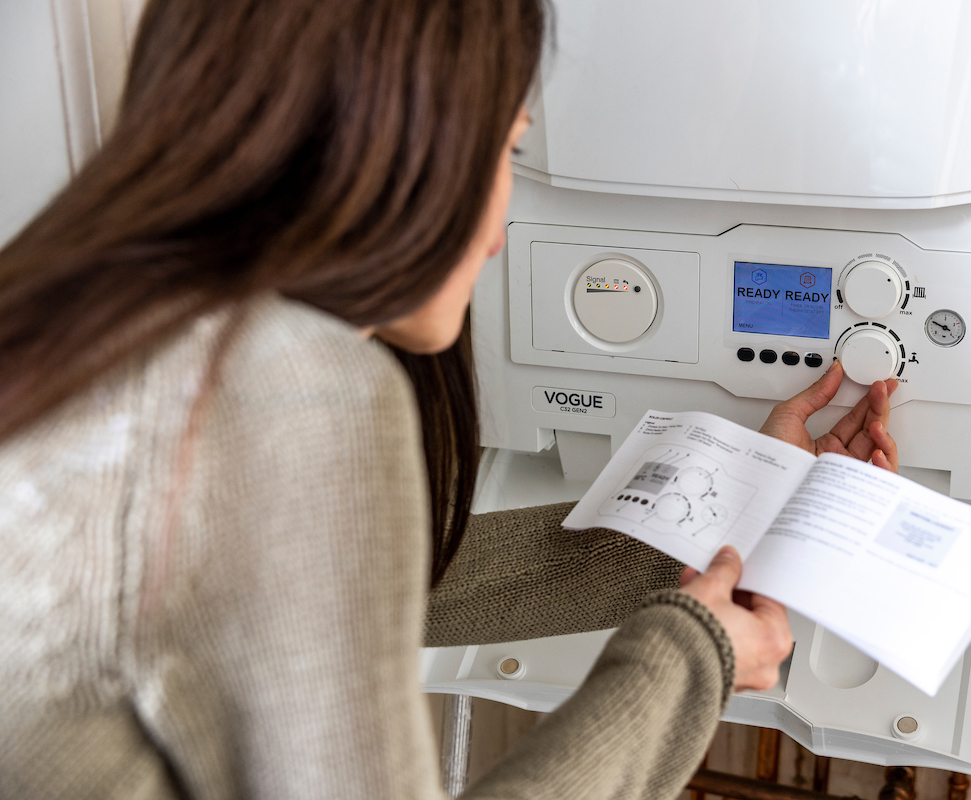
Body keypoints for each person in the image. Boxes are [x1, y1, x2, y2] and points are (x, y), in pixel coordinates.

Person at [0, 1, 899, 798]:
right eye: (505, 148)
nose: (503, 229)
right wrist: (690, 661)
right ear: (394, 140)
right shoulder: (288, 394)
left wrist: (732, 509)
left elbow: (395, 589)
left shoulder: (72, 324)